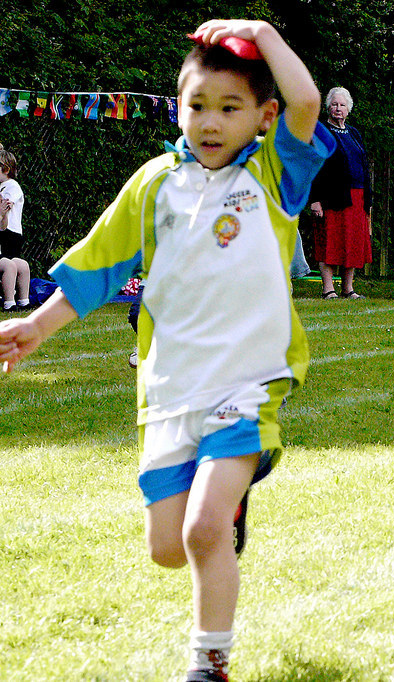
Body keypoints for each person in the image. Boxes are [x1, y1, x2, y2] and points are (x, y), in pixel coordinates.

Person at [0, 20, 333, 682]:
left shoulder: (273, 174)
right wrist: (37, 325)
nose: (210, 123)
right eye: (197, 106)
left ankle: (209, 665)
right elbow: (95, 270)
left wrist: (264, 34)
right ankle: (227, 502)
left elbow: (308, 104)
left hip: (248, 381)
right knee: (168, 549)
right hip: (169, 388)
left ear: (262, 116)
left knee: (203, 532)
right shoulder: (155, 184)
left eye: (230, 109)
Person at [309, 86, 372, 299]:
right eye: (334, 104)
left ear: (348, 109)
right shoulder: (321, 132)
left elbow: (363, 164)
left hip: (356, 196)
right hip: (330, 197)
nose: (338, 108)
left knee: (351, 243)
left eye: (342, 105)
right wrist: (315, 200)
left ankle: (348, 289)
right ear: (328, 107)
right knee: (329, 242)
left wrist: (368, 201)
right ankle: (328, 289)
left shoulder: (354, 133)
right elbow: (313, 166)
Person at [0, 149, 32, 311]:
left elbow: (6, 204)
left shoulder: (11, 185)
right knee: (10, 264)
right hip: (4, 232)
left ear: (5, 169)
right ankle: (10, 301)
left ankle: (23, 300)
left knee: (19, 265)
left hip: (10, 234)